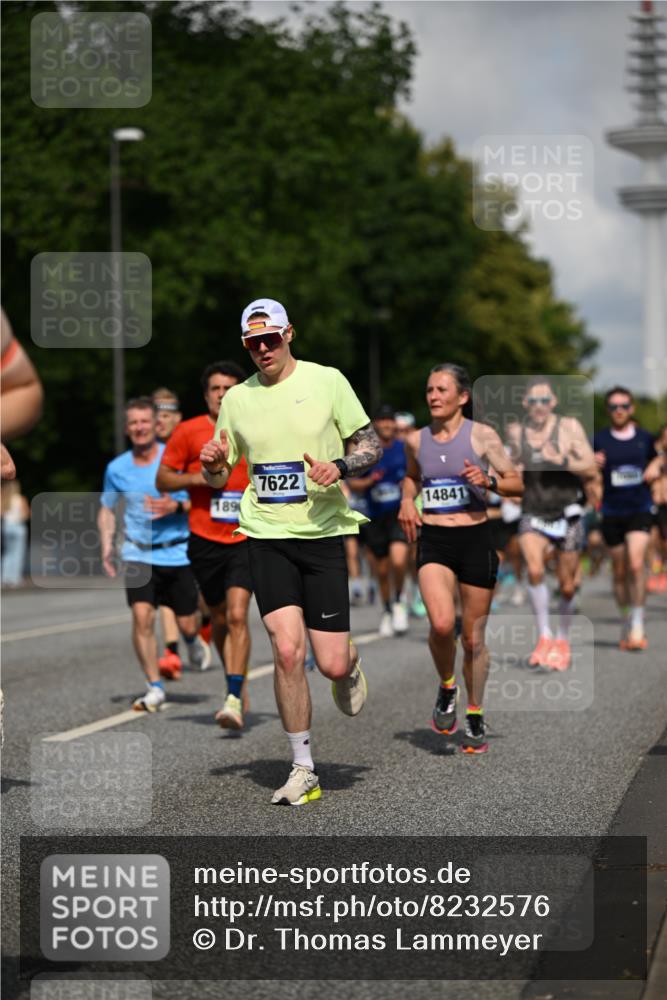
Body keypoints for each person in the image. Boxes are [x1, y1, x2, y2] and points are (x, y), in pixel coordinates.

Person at [200, 298, 382, 805]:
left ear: (289, 335)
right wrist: (213, 463)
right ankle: (303, 767)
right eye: (252, 342)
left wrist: (340, 468)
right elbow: (216, 474)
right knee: (285, 650)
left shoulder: (327, 380)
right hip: (266, 534)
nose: (262, 349)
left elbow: (369, 444)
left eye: (270, 338)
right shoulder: (236, 399)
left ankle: (347, 662)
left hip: (322, 535)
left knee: (329, 663)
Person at [399, 364, 523, 754]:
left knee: (472, 639)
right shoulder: (416, 440)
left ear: (462, 397)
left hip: (474, 538)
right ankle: (447, 686)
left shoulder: (482, 435)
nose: (433, 396)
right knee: (439, 624)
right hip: (435, 538)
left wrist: (488, 481)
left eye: (441, 389)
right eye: (429, 389)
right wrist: (406, 500)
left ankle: (474, 712)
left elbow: (517, 483)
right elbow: (412, 477)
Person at [157, 361, 253, 729]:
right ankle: (235, 677)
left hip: (245, 535)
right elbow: (163, 478)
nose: (222, 394)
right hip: (204, 538)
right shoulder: (188, 431)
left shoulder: (252, 428)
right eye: (216, 388)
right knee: (219, 617)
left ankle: (233, 692)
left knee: (239, 614)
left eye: (229, 387)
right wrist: (201, 477)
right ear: (206, 395)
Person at [99, 397, 209, 711]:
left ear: (155, 424)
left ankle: (191, 640)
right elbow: (106, 509)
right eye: (133, 422)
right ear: (126, 428)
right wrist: (107, 544)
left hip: (177, 551)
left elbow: (201, 499)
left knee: (188, 623)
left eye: (144, 421)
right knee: (142, 616)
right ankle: (154, 686)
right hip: (138, 553)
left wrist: (176, 506)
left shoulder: (173, 458)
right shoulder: (116, 468)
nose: (139, 427)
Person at [506, 377, 599, 671]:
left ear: (553, 402)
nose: (539, 407)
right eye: (533, 401)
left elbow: (590, 466)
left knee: (567, 586)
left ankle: (562, 639)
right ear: (525, 404)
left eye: (544, 401)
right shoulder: (516, 431)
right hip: (533, 510)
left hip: (567, 511)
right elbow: (515, 468)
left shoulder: (568, 427)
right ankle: (544, 636)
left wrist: (562, 459)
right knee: (533, 568)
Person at [593, 387, 657, 650]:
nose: (619, 410)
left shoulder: (645, 438)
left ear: (631, 408)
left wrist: (658, 464)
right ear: (608, 410)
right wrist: (591, 463)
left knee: (635, 563)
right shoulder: (599, 439)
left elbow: (660, 458)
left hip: (639, 508)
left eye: (624, 406)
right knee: (619, 572)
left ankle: (639, 623)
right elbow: (584, 469)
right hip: (611, 511)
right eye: (614, 406)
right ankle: (626, 616)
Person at [349, 404, 409, 637]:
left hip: (398, 514)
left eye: (390, 420)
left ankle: (399, 601)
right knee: (382, 571)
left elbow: (417, 474)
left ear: (395, 424)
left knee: (399, 559)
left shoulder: (404, 449)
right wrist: (369, 482)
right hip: (374, 516)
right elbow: (352, 484)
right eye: (382, 420)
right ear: (375, 424)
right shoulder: (367, 451)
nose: (386, 424)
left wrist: (410, 485)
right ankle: (386, 609)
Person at [151, 387, 195, 678]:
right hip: (157, 544)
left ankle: (195, 633)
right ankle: (171, 654)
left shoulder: (191, 451)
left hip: (193, 539)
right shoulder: (145, 453)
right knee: (164, 599)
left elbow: (206, 500)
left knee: (192, 616)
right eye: (156, 416)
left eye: (166, 416)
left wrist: (177, 508)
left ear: (178, 418)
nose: (160, 422)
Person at [396, 411, 427, 618]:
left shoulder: (419, 446)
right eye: (399, 431)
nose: (402, 435)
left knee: (415, 551)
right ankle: (406, 588)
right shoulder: (389, 449)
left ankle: (417, 591)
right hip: (394, 509)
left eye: (406, 430)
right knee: (400, 556)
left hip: (420, 506)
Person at [1, 479, 29, 586]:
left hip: (6, 527)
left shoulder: (3, 499)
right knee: (17, 553)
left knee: (6, 553)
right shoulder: (20, 499)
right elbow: (25, 515)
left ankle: (4, 577)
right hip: (18, 527)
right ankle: (14, 578)